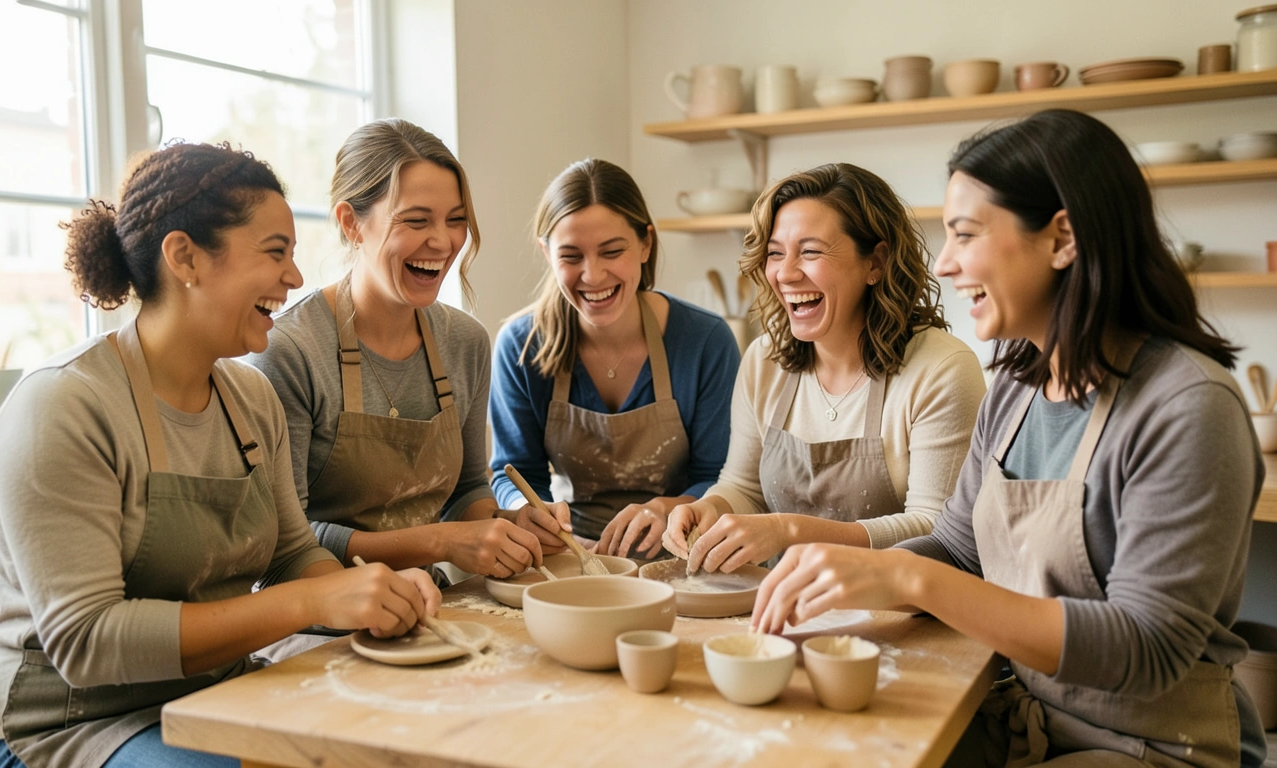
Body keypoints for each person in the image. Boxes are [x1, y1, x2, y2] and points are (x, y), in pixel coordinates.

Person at [752, 110, 1267, 767]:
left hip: (1152, 745)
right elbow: (959, 550)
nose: (944, 263)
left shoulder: (1188, 406)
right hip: (1024, 714)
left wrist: (904, 574)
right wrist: (850, 585)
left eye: (965, 234)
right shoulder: (1018, 390)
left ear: (1062, 238)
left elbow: (1147, 649)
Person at [0, 142, 441, 768]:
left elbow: (292, 556)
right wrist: (311, 603)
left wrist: (368, 592)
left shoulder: (250, 397)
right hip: (71, 726)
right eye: (275, 253)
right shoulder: (62, 406)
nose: (295, 278)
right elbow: (87, 642)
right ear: (185, 257)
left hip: (215, 693)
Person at [248, 119, 556, 584]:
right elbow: (285, 543)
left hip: (428, 599)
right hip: (320, 613)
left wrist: (508, 525)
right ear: (351, 223)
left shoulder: (466, 342)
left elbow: (467, 489)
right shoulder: (290, 351)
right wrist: (440, 542)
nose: (443, 241)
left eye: (456, 220)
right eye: (416, 220)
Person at [663, 163, 985, 572]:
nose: (785, 273)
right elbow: (743, 487)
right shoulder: (764, 361)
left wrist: (790, 530)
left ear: (876, 262)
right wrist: (710, 509)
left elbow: (936, 531)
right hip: (782, 598)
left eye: (810, 251)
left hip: (900, 605)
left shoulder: (941, 370)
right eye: (775, 253)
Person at [489, 158, 741, 559]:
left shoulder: (705, 342)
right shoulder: (521, 346)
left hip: (684, 551)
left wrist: (665, 509)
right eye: (571, 256)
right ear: (546, 253)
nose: (593, 275)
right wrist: (531, 515)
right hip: (572, 552)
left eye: (612, 251)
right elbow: (514, 474)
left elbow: (721, 478)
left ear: (645, 244)